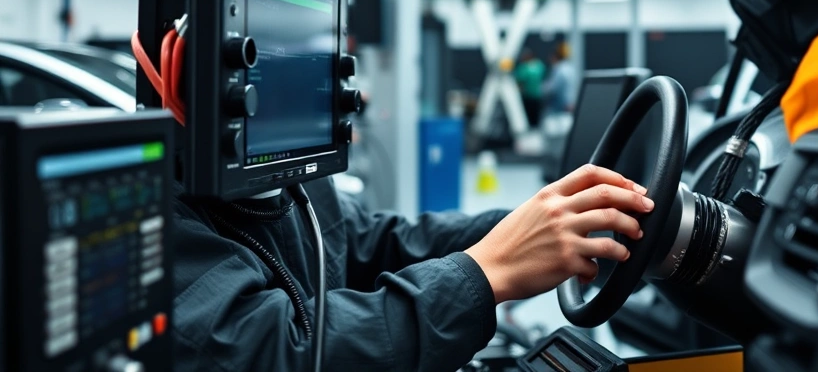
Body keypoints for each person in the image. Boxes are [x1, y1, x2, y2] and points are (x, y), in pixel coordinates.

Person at [173, 164, 653, 371]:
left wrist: (529, 226)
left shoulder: (296, 183)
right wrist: (483, 273)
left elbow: (379, 242)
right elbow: (276, 354)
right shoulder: (154, 215)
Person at [543, 41, 578, 116]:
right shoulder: (571, 69)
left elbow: (551, 90)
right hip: (569, 109)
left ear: (555, 55)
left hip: (557, 111)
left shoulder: (558, 69)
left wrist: (542, 88)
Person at [514, 48, 546, 127]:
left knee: (528, 118)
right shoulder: (540, 65)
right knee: (536, 117)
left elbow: (519, 82)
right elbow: (544, 79)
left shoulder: (524, 67)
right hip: (538, 96)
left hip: (528, 97)